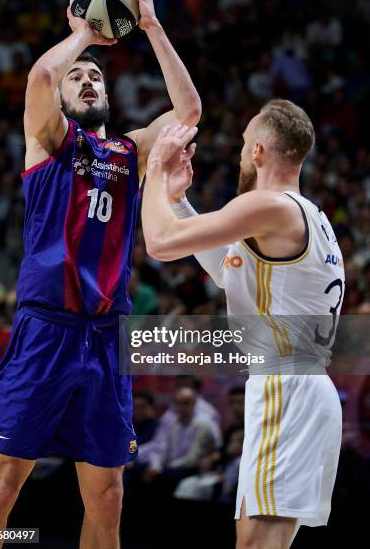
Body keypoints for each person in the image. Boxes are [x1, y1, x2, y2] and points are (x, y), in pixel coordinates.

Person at [0, 0, 201, 549]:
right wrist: (84, 36)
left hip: (106, 337)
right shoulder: (48, 139)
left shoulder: (130, 151)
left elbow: (189, 109)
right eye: (80, 78)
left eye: (96, 75)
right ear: (65, 98)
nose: (88, 79)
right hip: (48, 329)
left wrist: (149, 25)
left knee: (108, 498)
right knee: (4, 491)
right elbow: (42, 74)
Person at [141, 99, 344, 549]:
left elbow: (158, 243)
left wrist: (153, 168)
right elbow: (226, 269)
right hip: (298, 385)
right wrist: (178, 201)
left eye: (242, 143)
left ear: (257, 150)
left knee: (254, 545)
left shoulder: (269, 206)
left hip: (285, 385)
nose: (238, 152)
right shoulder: (303, 214)